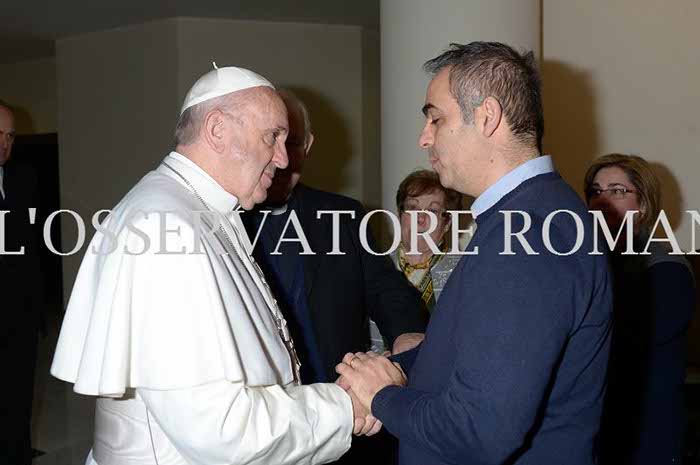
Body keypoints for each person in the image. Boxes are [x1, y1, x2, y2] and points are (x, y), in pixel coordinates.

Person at [51, 66, 380, 465]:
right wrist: (345, 405)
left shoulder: (201, 208)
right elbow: (221, 431)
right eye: (272, 137)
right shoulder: (166, 227)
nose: (282, 159)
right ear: (217, 129)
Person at [336, 41, 613, 465]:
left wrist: (382, 396)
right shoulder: (528, 214)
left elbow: (477, 433)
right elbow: (469, 349)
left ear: (487, 117)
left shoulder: (527, 233)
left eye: (436, 118)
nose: (424, 137)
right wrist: (395, 366)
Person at [242, 90, 426, 464]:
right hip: (258, 428)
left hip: (347, 422)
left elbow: (386, 289)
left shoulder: (344, 215)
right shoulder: (220, 221)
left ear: (308, 145)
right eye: (271, 140)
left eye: (293, 143)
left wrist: (408, 335)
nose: (281, 158)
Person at [584, 153, 695, 465]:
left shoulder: (667, 269)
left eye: (617, 191)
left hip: (645, 434)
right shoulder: (590, 261)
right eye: (595, 191)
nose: (602, 200)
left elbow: (622, 342)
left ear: (643, 205)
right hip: (598, 428)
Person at [369, 169, 461, 352]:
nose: (420, 219)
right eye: (412, 208)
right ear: (400, 216)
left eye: (433, 210)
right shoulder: (373, 267)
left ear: (447, 223)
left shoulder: (464, 270)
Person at [0, 102, 44, 465]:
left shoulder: (24, 178)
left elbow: (32, 249)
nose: (4, 144)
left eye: (10, 136)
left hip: (20, 315)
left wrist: (36, 310)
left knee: (19, 398)